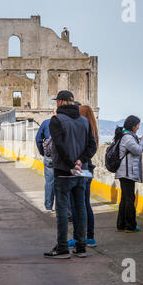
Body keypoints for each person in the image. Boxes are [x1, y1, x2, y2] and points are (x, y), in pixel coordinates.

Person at [44, 91, 97, 259]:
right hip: (82, 171)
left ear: (60, 102)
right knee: (80, 207)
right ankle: (81, 246)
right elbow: (92, 146)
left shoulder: (56, 120)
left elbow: (58, 146)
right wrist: (81, 161)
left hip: (63, 170)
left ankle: (62, 247)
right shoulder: (84, 121)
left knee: (61, 208)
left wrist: (71, 163)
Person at [68, 105, 100, 248]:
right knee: (86, 204)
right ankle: (90, 237)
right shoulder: (93, 130)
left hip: (80, 169)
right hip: (88, 170)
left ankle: (78, 237)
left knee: (76, 205)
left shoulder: (82, 129)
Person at [115, 115, 143, 233]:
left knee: (125, 198)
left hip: (125, 172)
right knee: (129, 199)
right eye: (137, 125)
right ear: (133, 126)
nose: (138, 127)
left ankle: (121, 224)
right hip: (127, 173)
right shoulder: (127, 138)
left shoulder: (126, 136)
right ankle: (130, 225)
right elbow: (138, 150)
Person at [36, 112, 56, 212]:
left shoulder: (46, 123)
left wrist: (42, 152)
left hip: (49, 156)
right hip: (63, 157)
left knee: (49, 182)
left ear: (53, 113)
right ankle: (62, 207)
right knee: (62, 182)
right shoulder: (67, 122)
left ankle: (48, 206)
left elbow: (38, 139)